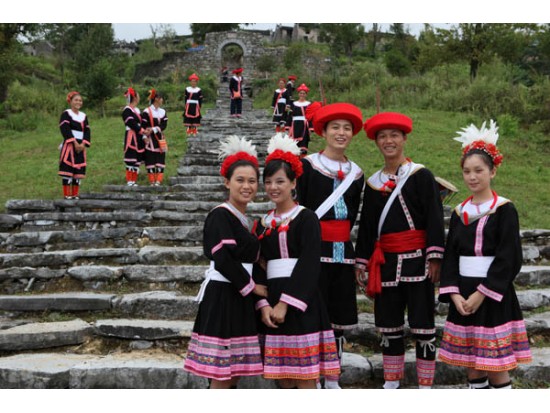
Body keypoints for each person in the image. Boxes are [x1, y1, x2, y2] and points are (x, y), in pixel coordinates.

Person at [438, 120, 532, 389]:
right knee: (472, 367)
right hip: (463, 295)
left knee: (495, 366)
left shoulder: (504, 209)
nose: (472, 177)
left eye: (479, 170)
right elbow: (451, 257)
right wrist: (454, 294)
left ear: (493, 171)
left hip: (492, 295)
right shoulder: (460, 212)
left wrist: (482, 293)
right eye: (467, 171)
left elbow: (509, 257)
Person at [355, 112, 445, 389]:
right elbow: (367, 227)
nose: (388, 141)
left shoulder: (421, 175)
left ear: (404, 139)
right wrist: (361, 262)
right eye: (382, 136)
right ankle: (391, 381)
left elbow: (434, 217)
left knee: (423, 325)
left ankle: (425, 384)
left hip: (418, 261)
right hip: (385, 264)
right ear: (376, 142)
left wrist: (435, 257)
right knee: (388, 324)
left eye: (394, 135)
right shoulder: (373, 183)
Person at [254, 134, 340, 389]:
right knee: (282, 376)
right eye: (268, 182)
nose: (273, 187)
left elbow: (309, 263)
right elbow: (258, 266)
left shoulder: (306, 218)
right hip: (271, 301)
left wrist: (285, 304)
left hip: (301, 302)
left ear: (293, 183)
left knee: (304, 375)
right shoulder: (262, 224)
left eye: (280, 181)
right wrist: (264, 305)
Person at [184, 136, 267, 388]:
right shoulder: (220, 215)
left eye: (252, 181)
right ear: (227, 182)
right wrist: (252, 287)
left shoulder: (245, 221)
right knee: (223, 373)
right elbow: (223, 259)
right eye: (240, 180)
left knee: (234, 371)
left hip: (238, 297)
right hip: (224, 296)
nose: (246, 186)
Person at [296, 102, 365, 389]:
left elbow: (355, 215)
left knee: (339, 316)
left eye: (347, 128)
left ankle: (333, 376)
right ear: (323, 132)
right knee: (314, 312)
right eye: (335, 127)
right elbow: (299, 208)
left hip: (343, 253)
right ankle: (312, 375)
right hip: (313, 251)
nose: (341, 133)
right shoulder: (307, 166)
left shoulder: (357, 173)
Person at [58, 91, 91, 199]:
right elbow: (65, 128)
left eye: (80, 100)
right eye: (76, 100)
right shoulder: (66, 114)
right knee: (68, 169)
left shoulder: (84, 116)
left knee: (78, 170)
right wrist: (74, 142)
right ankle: (67, 194)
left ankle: (75, 194)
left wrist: (83, 143)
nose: (78, 102)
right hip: (70, 145)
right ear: (70, 101)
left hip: (81, 145)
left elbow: (87, 130)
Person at [122, 87, 150, 186]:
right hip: (131, 136)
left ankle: (134, 180)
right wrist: (142, 130)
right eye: (138, 96)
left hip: (138, 136)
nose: (139, 98)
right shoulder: (127, 110)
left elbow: (141, 123)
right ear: (134, 98)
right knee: (131, 158)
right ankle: (129, 180)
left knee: (137, 159)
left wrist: (144, 132)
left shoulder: (137, 110)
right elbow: (131, 123)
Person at [141, 89, 168, 186]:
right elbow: (143, 125)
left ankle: (158, 181)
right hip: (149, 139)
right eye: (161, 98)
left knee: (161, 158)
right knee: (150, 159)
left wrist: (154, 129)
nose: (162, 100)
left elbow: (164, 125)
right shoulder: (146, 111)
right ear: (156, 99)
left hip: (160, 138)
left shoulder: (163, 112)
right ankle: (152, 181)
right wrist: (144, 136)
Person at [286, 83, 313, 157]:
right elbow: (290, 115)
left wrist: (310, 127)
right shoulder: (293, 104)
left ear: (306, 94)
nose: (302, 95)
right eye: (301, 93)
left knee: (303, 145)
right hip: (294, 126)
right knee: (294, 145)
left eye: (304, 93)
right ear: (298, 94)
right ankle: (295, 160)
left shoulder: (309, 104)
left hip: (304, 126)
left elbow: (310, 117)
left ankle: (303, 160)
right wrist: (288, 126)